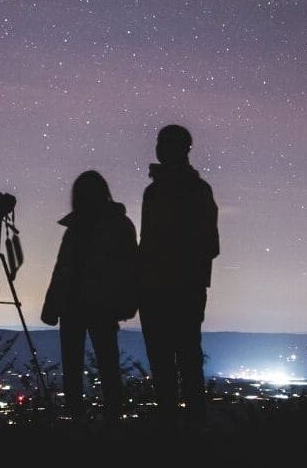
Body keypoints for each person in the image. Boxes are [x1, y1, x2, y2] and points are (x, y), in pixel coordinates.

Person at [137, 124, 219, 431]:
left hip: (175, 288)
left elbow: (209, 244)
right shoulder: (161, 191)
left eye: (164, 144)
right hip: (173, 288)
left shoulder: (186, 191)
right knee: (178, 360)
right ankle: (182, 428)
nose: (159, 149)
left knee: (178, 360)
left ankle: (182, 428)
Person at [41, 170, 138, 424]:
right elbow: (63, 268)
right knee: (100, 365)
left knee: (92, 366)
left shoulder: (96, 226)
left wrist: (52, 305)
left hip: (92, 305)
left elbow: (63, 269)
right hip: (87, 305)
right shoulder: (112, 225)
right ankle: (100, 421)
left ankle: (96, 422)